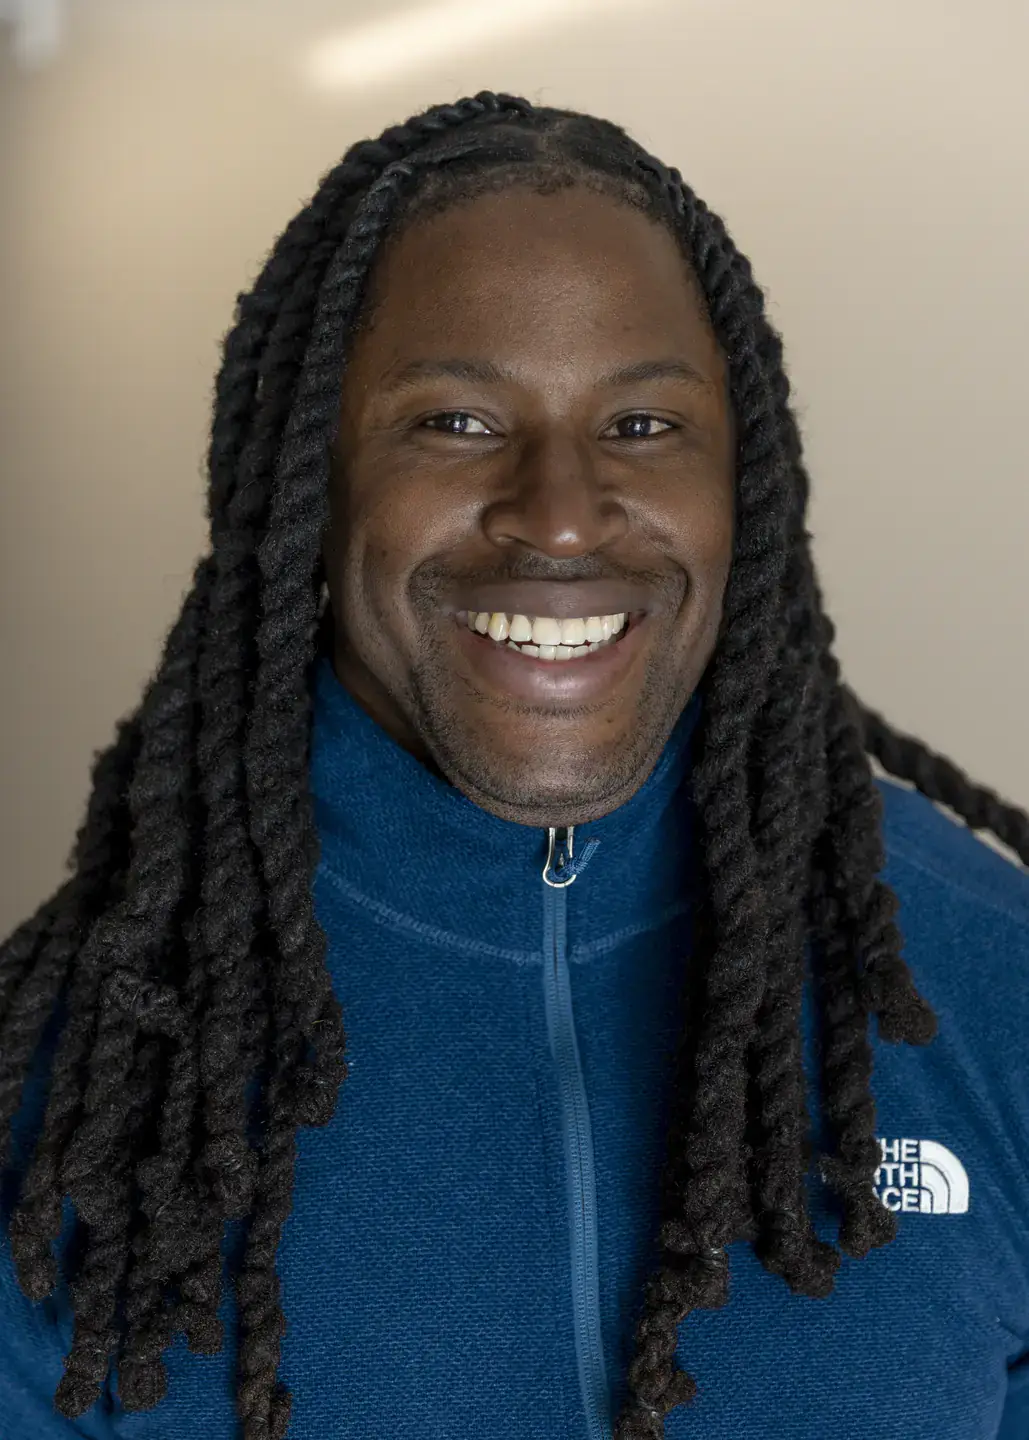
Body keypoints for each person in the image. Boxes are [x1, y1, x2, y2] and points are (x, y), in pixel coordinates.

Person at [1, 89, 1027, 1440]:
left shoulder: (993, 976)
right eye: (457, 421)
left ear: (749, 487)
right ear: (312, 480)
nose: (558, 518)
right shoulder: (70, 1086)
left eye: (642, 425)